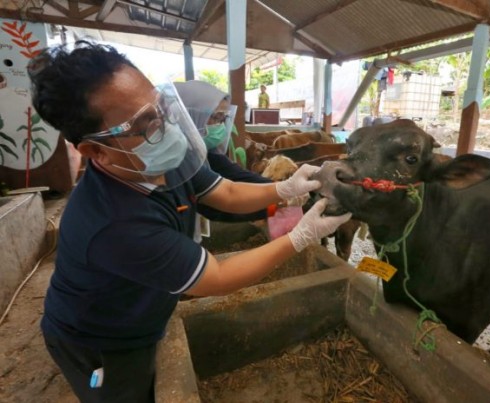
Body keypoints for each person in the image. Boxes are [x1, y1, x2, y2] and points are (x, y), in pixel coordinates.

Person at [28, 41, 351, 403]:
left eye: (161, 108)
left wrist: (284, 188)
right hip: (103, 335)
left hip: (144, 306)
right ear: (95, 151)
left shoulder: (161, 155)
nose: (164, 127)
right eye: (144, 124)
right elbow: (217, 277)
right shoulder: (114, 224)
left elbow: (226, 193)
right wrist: (301, 236)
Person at [174, 80, 272, 223]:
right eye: (216, 117)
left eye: (223, 118)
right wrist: (274, 206)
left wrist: (283, 187)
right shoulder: (177, 161)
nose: (220, 125)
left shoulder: (205, 150)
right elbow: (222, 204)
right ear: (189, 115)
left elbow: (236, 174)